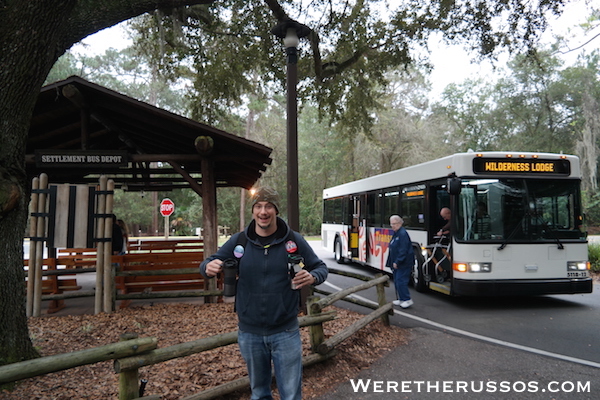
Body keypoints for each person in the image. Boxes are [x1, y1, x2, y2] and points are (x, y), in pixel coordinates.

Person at [200, 187, 328, 400]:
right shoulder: (239, 242)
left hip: (285, 331)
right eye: (258, 206)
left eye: (268, 206)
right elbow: (207, 263)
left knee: (291, 395)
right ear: (253, 211)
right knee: (259, 394)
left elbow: (321, 267)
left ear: (276, 210)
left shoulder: (293, 241)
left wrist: (312, 277)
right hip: (250, 333)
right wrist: (208, 267)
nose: (263, 211)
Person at [386, 215, 415, 309]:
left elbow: (403, 250)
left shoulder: (402, 234)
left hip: (404, 263)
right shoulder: (397, 233)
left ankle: (407, 299)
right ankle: (401, 298)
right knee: (397, 280)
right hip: (397, 261)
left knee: (401, 281)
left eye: (394, 224)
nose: (392, 226)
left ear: (399, 223)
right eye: (391, 224)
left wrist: (398, 261)